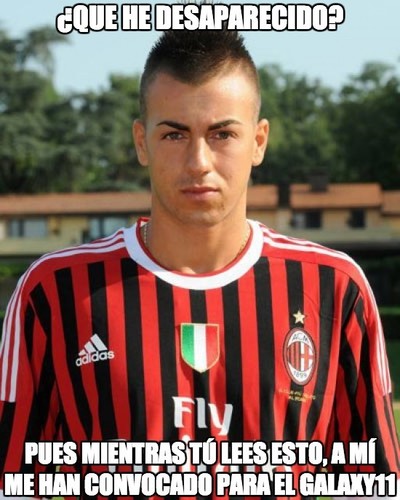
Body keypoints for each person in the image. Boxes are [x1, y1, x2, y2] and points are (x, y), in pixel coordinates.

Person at [0, 28, 399, 500]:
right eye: (174, 134)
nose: (198, 162)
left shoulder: (333, 287)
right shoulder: (54, 292)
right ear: (141, 142)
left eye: (222, 134)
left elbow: (376, 485)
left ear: (259, 141)